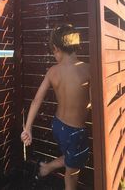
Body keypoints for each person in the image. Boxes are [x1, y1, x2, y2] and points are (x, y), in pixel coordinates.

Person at [21, 24, 91, 190]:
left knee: (72, 157)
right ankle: (48, 169)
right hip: (76, 131)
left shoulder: (53, 71)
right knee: (71, 175)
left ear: (56, 48)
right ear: (76, 45)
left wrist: (28, 128)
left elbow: (36, 100)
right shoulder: (88, 70)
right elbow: (94, 103)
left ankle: (46, 168)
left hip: (58, 126)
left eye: (53, 52)